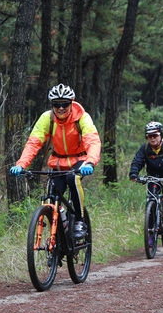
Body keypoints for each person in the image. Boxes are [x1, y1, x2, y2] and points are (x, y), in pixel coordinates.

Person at [9, 84, 102, 240]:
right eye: (56, 104)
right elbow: (33, 143)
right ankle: (59, 234)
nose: (60, 108)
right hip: (58, 162)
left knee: (73, 178)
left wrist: (90, 162)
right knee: (50, 198)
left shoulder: (82, 118)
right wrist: (21, 164)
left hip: (80, 160)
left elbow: (92, 141)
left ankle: (79, 220)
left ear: (71, 103)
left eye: (65, 103)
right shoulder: (47, 118)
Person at [128, 121, 163, 220]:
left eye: (155, 135)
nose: (152, 138)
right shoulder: (145, 148)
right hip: (152, 177)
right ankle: (150, 231)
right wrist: (133, 174)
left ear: (161, 135)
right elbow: (137, 161)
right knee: (151, 198)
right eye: (149, 136)